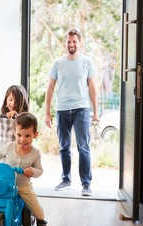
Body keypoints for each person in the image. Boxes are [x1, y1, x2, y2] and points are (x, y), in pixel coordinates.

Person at [45, 28, 99, 196]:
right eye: (69, 41)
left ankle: (86, 183)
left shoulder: (87, 62)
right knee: (64, 147)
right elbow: (50, 88)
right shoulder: (58, 63)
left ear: (79, 42)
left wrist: (96, 112)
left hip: (81, 109)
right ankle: (66, 179)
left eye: (74, 41)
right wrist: (47, 112)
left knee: (83, 146)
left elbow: (92, 87)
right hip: (62, 109)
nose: (71, 44)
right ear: (65, 43)